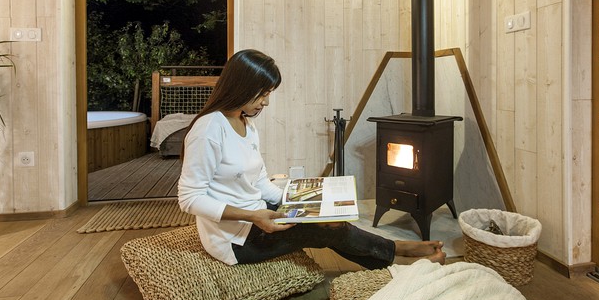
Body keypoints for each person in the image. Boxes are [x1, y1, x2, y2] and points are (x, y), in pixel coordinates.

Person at [178, 49, 445, 269]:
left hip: (258, 213)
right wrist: (253, 216)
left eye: (269, 94)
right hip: (235, 238)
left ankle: (393, 251)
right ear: (241, 87)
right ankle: (398, 257)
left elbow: (258, 180)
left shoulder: (244, 122)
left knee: (331, 218)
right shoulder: (209, 130)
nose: (266, 103)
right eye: (263, 94)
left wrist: (295, 202)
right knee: (325, 230)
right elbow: (189, 198)